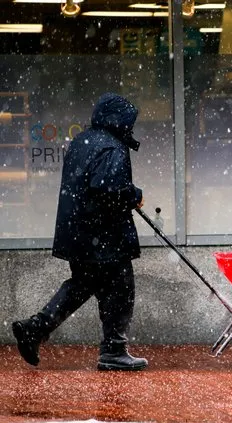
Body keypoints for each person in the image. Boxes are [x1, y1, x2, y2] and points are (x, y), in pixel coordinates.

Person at [12, 92, 148, 371]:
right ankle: (113, 351)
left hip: (79, 233)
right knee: (121, 290)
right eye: (128, 121)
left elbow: (86, 185)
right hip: (104, 236)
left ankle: (35, 329)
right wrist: (134, 195)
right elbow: (106, 188)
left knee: (82, 284)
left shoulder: (81, 141)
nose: (130, 126)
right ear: (117, 120)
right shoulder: (112, 146)